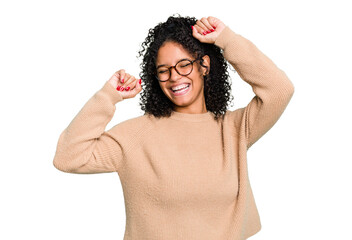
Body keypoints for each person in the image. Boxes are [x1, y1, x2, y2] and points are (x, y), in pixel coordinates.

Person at [53, 14, 295, 240]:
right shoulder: (135, 135)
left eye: (183, 65)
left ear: (204, 66)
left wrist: (227, 39)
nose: (175, 77)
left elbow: (279, 90)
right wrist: (107, 97)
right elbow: (68, 157)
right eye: (163, 71)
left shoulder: (234, 129)